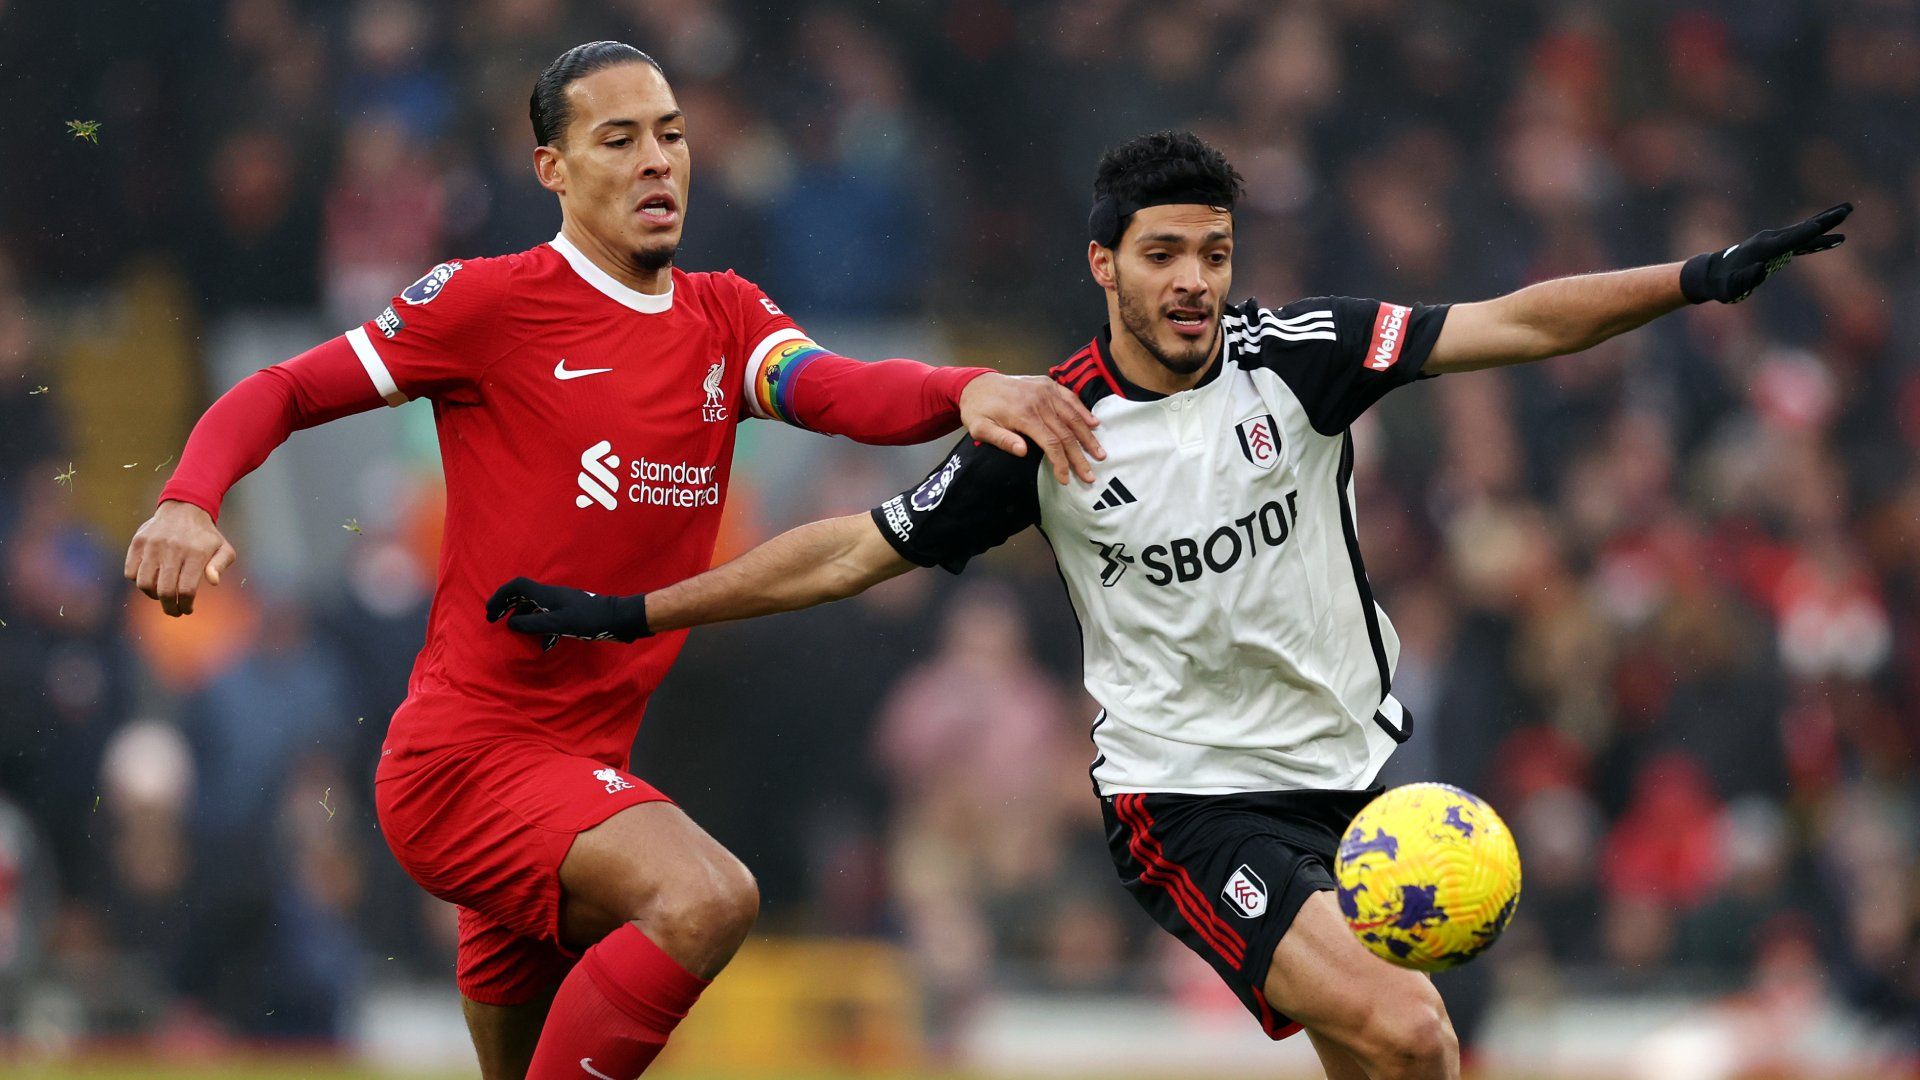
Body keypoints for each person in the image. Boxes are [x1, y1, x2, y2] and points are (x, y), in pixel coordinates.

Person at [487, 130, 1850, 1079]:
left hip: (1357, 777)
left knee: (1374, 1055)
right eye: (1164, 253)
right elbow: (853, 551)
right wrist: (635, 612)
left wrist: (1697, 278)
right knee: (1421, 1035)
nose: (1195, 277)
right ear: (1107, 265)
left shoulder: (1304, 357)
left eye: (1212, 249)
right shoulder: (1050, 431)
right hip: (1188, 804)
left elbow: (1517, 321)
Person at [123, 41, 1104, 1080]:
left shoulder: (724, 317)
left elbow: (843, 392)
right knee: (709, 895)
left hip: (584, 770)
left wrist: (963, 390)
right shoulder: (489, 303)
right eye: (619, 138)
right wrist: (188, 499)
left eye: (672, 137)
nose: (656, 162)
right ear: (551, 167)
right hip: (469, 765)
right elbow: (280, 389)